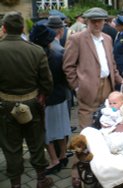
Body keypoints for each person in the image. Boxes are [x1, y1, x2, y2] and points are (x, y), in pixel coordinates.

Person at [0, 12, 54, 188]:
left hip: (5, 105)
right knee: (36, 142)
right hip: (32, 102)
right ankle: (41, 179)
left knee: (11, 147)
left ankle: (16, 184)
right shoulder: (36, 50)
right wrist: (43, 95)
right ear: (22, 28)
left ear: (4, 28)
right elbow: (47, 82)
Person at [63, 7, 123, 129]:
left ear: (104, 21)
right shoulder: (76, 39)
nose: (97, 24)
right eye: (93, 21)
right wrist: (77, 87)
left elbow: (111, 64)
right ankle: (88, 147)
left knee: (108, 121)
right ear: (87, 21)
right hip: (86, 87)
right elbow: (68, 65)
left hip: (107, 85)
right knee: (88, 127)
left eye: (100, 21)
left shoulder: (107, 38)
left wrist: (120, 79)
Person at [46, 16, 72, 174]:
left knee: (51, 128)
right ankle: (61, 155)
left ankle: (57, 157)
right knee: (62, 125)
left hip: (51, 94)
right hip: (62, 93)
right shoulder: (61, 50)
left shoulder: (50, 50)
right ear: (61, 31)